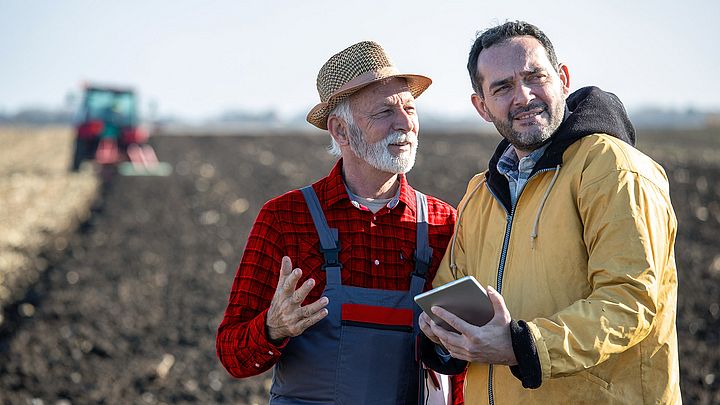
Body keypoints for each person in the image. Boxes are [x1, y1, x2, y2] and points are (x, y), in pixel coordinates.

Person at [419, 21, 681, 404]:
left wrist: (521, 347)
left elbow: (630, 301)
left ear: (563, 78)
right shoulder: (480, 193)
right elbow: (450, 294)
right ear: (481, 106)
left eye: (534, 76)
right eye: (503, 87)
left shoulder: (612, 169)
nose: (524, 96)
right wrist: (443, 334)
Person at [216, 41, 463, 404]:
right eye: (384, 112)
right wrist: (272, 327)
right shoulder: (285, 219)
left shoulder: (443, 224)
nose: (405, 123)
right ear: (340, 131)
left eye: (409, 108)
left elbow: (459, 366)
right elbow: (231, 354)